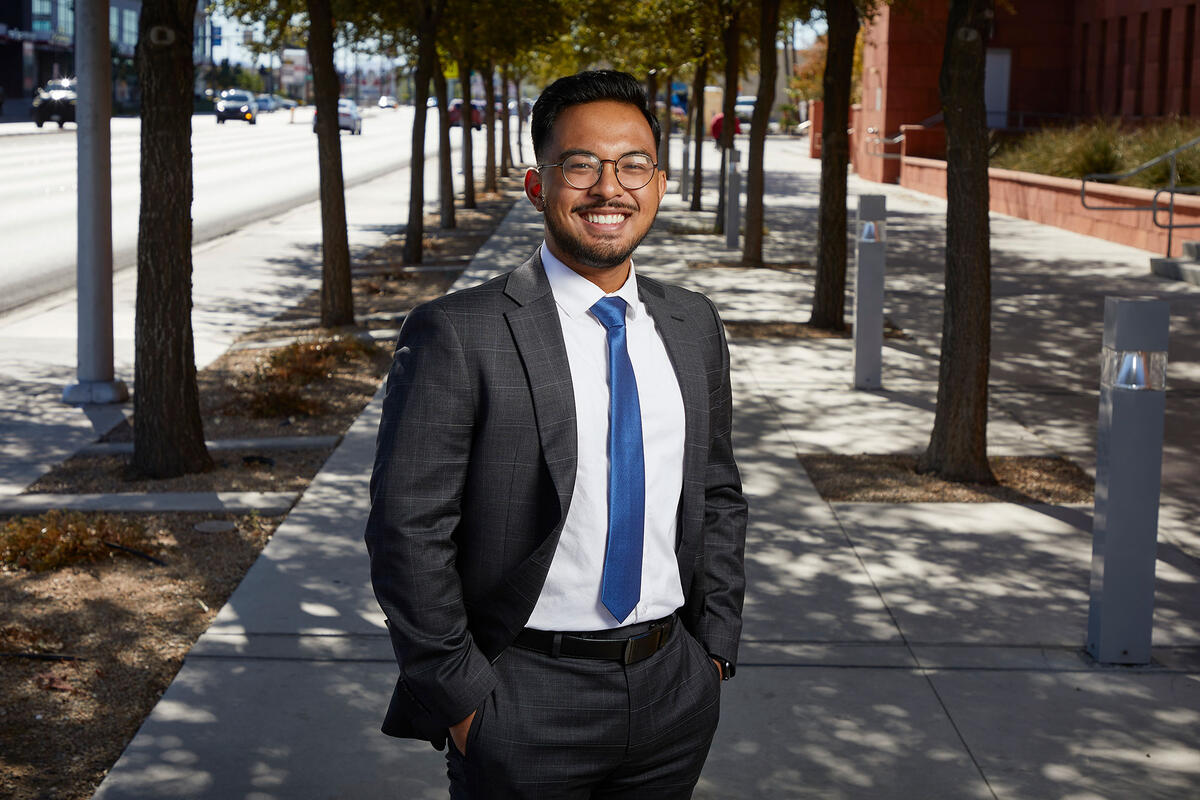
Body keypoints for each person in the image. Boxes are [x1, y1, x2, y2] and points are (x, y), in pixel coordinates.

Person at [365, 69, 748, 799]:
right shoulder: (460, 332)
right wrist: (464, 699)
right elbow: (407, 531)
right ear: (539, 185)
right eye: (581, 165)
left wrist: (715, 650)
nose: (611, 188)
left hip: (675, 688)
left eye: (634, 164)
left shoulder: (692, 324)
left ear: (659, 182)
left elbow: (717, 491)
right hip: (522, 696)